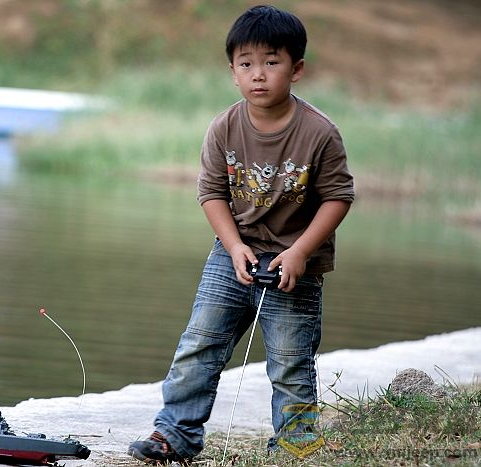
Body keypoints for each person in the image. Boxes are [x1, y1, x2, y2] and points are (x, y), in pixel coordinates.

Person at [127, 4, 355, 464]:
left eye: (272, 62)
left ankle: (294, 446)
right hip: (232, 256)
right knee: (199, 345)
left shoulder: (319, 133)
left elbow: (338, 197)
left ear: (297, 69)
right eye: (246, 63)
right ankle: (175, 435)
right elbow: (211, 193)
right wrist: (233, 247)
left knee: (290, 362)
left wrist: (300, 253)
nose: (258, 74)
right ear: (232, 71)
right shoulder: (224, 127)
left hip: (295, 265)